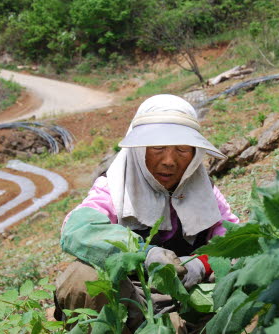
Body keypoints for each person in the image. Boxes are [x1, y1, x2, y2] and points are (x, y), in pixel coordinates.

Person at [54, 94, 239, 330]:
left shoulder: (204, 191)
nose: (169, 161)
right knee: (82, 276)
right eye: (158, 148)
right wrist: (144, 254)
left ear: (195, 154)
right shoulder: (115, 186)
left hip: (187, 302)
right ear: (139, 150)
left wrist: (202, 263)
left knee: (239, 276)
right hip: (129, 301)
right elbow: (78, 229)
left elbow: (233, 240)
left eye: (182, 149)